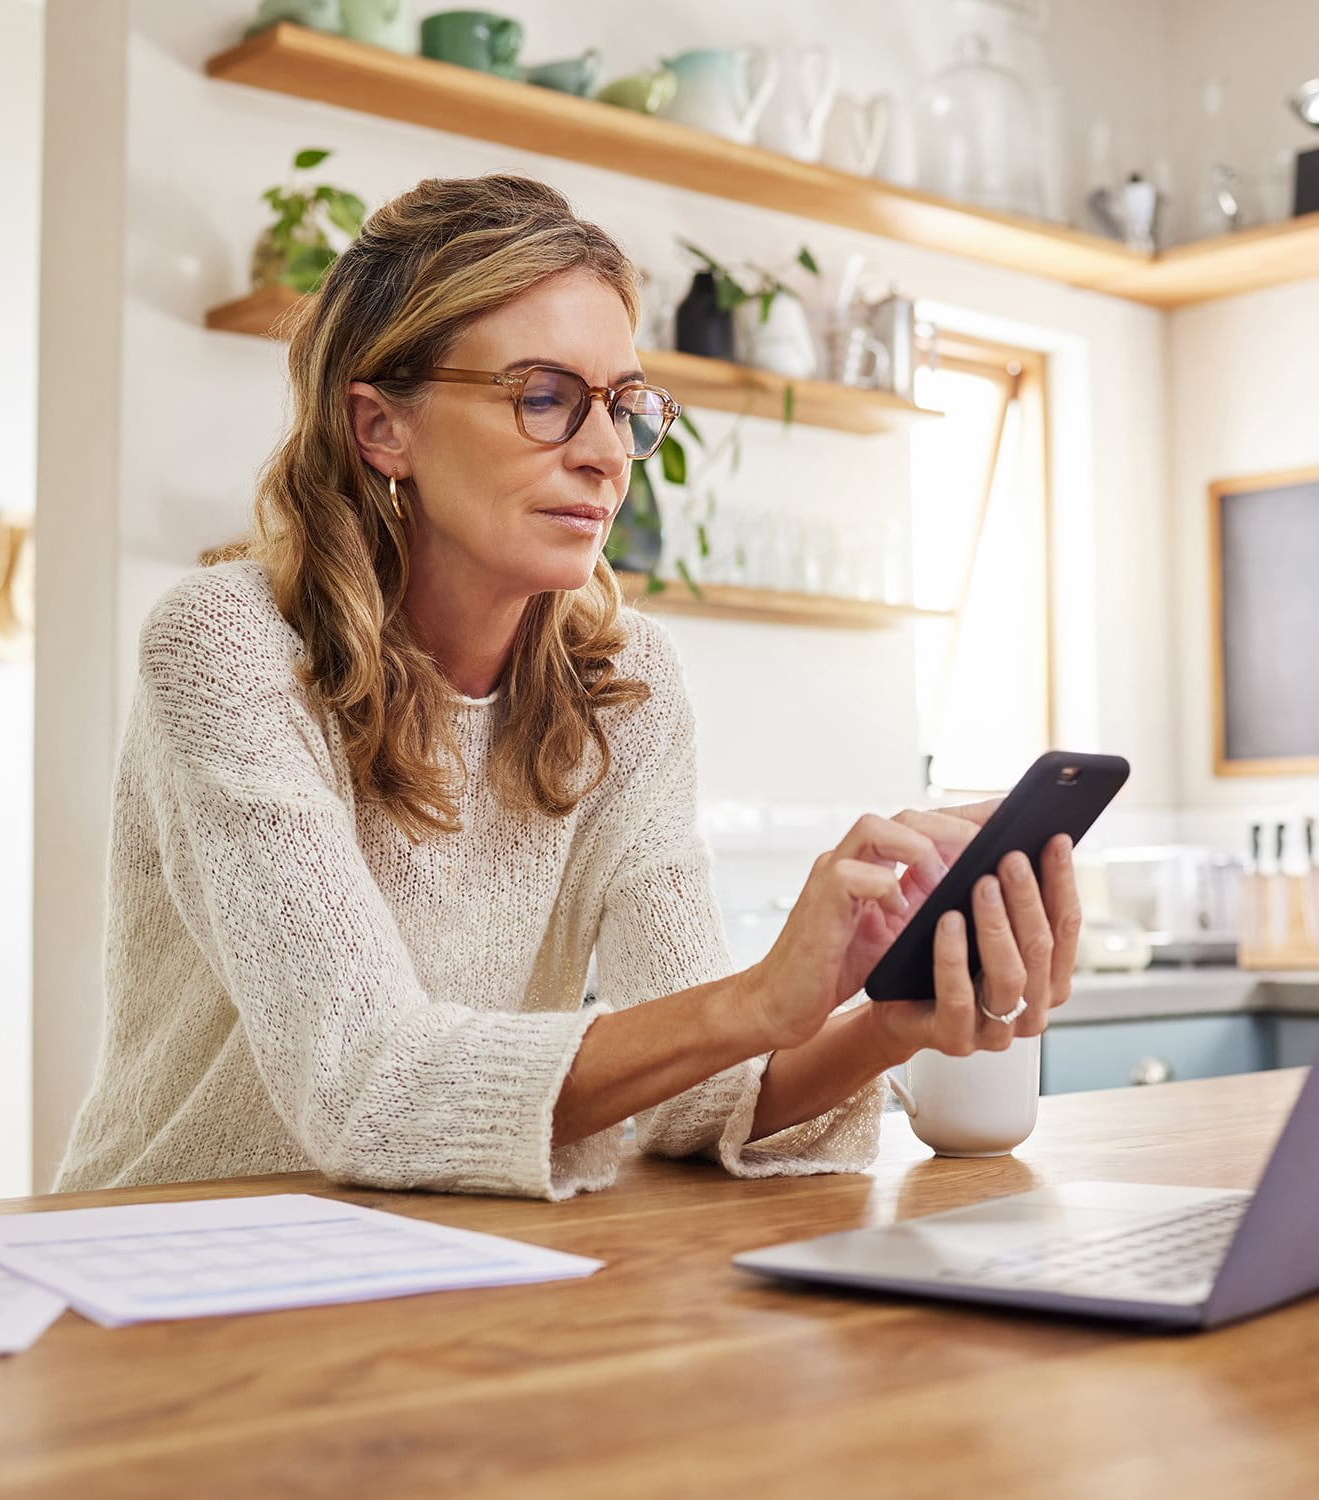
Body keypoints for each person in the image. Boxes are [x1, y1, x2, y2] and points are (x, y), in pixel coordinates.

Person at [54, 174, 1080, 1200]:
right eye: (543, 398)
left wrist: (886, 1023)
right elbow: (372, 1090)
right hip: (164, 1247)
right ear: (381, 427)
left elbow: (695, 1098)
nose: (604, 456)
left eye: (624, 407)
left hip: (433, 1253)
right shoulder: (229, 648)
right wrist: (762, 998)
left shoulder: (625, 685)